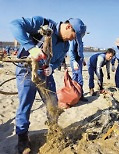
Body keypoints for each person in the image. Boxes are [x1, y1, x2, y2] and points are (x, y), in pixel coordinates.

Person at [10, 16, 86, 153]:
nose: (73, 40)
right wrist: (31, 48)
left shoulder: (65, 45)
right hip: (27, 70)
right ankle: (22, 139)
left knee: (53, 103)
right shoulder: (43, 23)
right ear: (68, 27)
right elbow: (15, 24)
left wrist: (51, 66)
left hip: (45, 74)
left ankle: (53, 129)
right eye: (73, 36)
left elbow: (57, 61)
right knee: (26, 103)